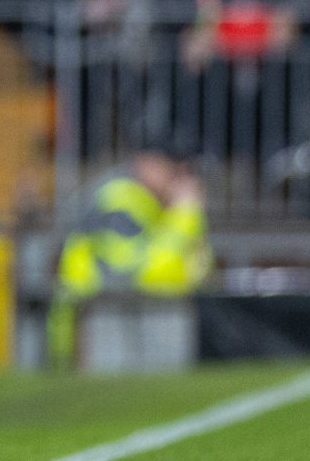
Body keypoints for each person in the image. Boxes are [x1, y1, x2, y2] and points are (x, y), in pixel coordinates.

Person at [50, 147, 213, 365]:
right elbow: (132, 279)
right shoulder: (121, 202)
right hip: (97, 332)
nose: (181, 181)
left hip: (109, 330)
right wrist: (184, 217)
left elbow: (195, 275)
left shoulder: (148, 206)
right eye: (174, 171)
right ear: (146, 164)